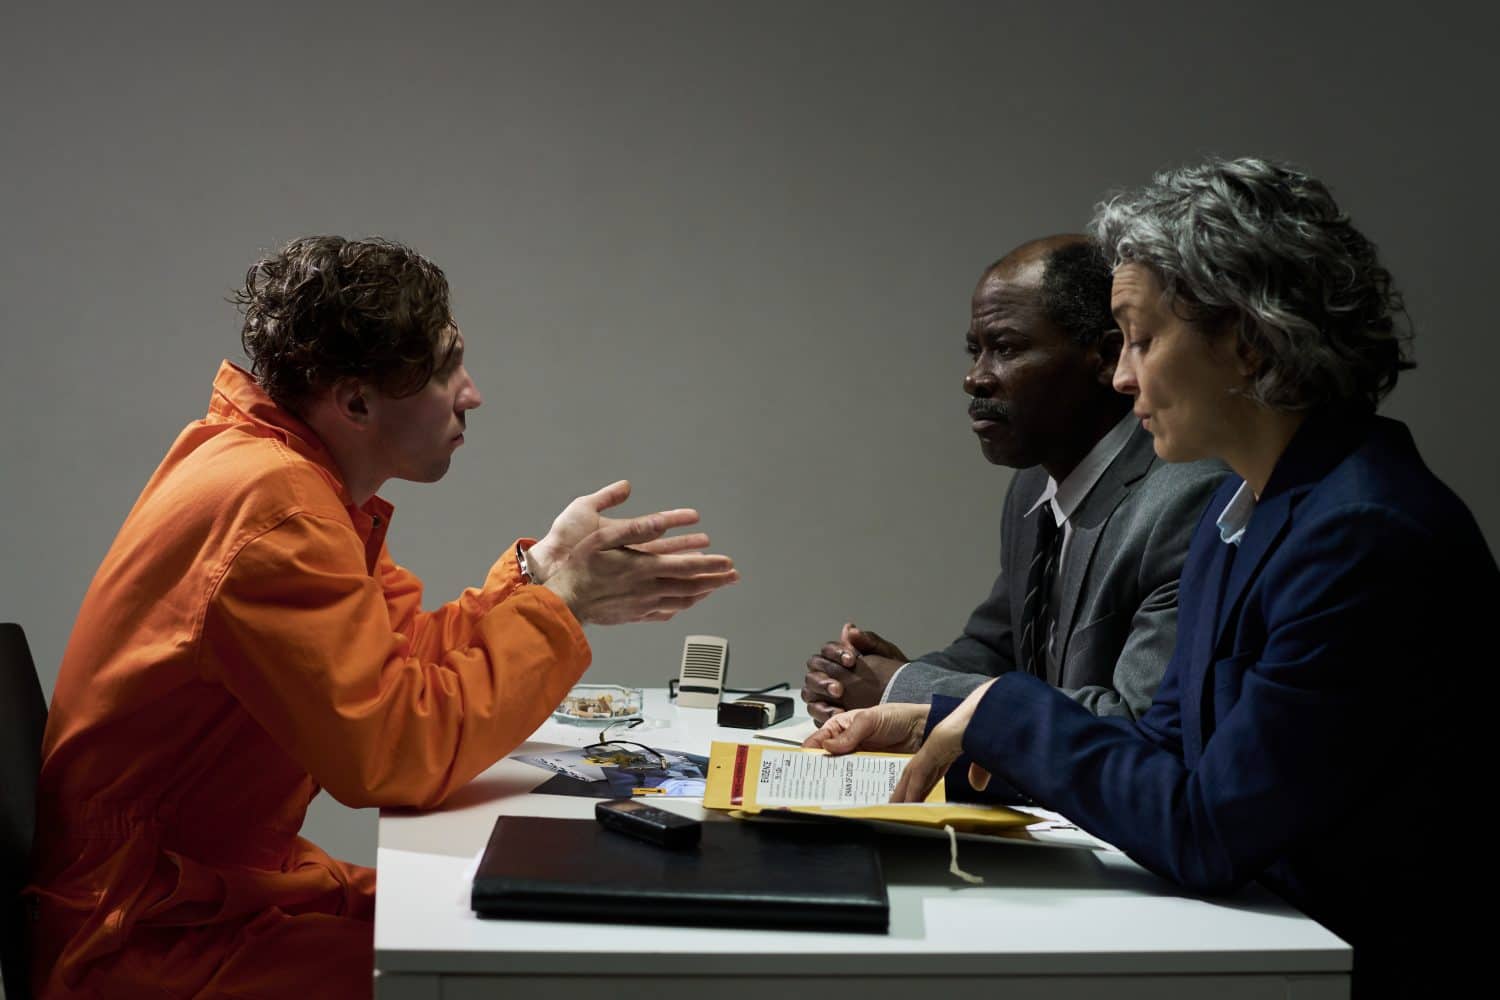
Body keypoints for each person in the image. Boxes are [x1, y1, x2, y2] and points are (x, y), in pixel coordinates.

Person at [807, 158, 1497, 996]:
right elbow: (1165, 749)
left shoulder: (1361, 535)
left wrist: (1000, 708)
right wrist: (951, 718)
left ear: (1247, 341)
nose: (1123, 375)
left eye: (1139, 338)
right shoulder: (1242, 509)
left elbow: (1206, 827)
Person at [28, 236, 738, 998]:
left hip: (210, 896)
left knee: (515, 939)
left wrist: (537, 579)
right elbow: (397, 753)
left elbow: (404, 661)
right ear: (357, 401)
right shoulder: (275, 513)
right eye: (442, 370)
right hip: (140, 939)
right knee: (518, 974)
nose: (472, 394)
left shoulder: (289, 479)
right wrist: (566, 606)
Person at [802, 236, 1225, 724]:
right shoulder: (1033, 485)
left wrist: (903, 688)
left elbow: (1133, 721)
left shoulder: (1186, 500)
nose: (974, 379)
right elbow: (994, 652)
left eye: (1005, 348)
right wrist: (865, 679)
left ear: (1107, 358)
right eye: (974, 351)